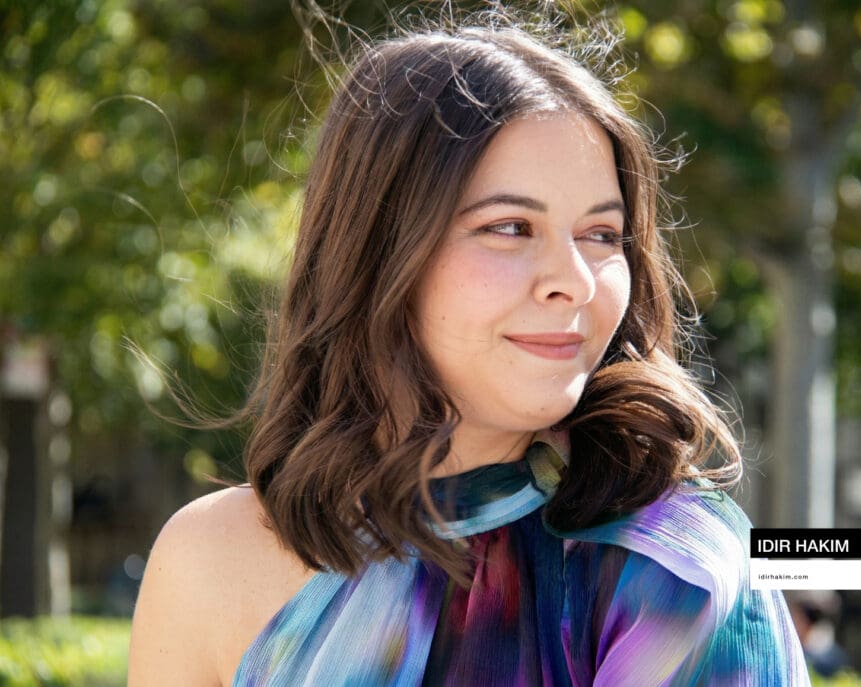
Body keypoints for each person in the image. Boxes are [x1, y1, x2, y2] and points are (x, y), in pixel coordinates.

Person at [128, 7, 811, 686]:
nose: (574, 281)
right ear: (379, 250)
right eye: (511, 226)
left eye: (602, 234)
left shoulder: (680, 573)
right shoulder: (210, 557)